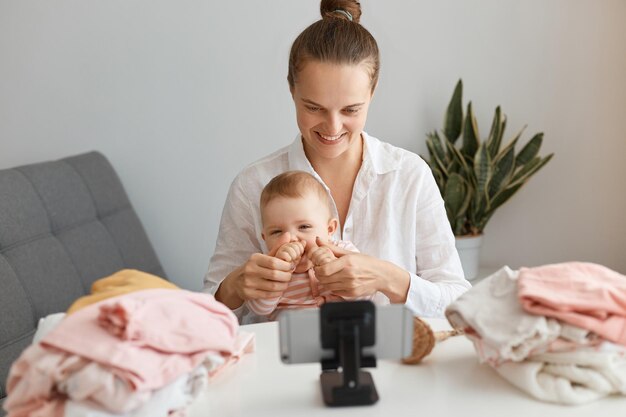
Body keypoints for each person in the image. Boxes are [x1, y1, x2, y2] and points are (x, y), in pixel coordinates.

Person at [204, 0, 471, 324]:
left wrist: (386, 277)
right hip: (282, 371)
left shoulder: (409, 176)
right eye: (314, 107)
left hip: (391, 367)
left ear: (372, 93)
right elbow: (204, 314)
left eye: (350, 110)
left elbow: (460, 303)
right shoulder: (253, 185)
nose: (332, 127)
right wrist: (233, 288)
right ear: (292, 91)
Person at [246, 170, 371, 320]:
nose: (291, 238)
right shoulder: (270, 267)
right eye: (277, 232)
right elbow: (260, 309)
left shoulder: (343, 253)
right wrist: (277, 278)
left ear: (330, 229)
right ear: (264, 238)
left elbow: (365, 296)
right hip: (290, 336)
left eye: (304, 227)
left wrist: (334, 270)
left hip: (339, 333)